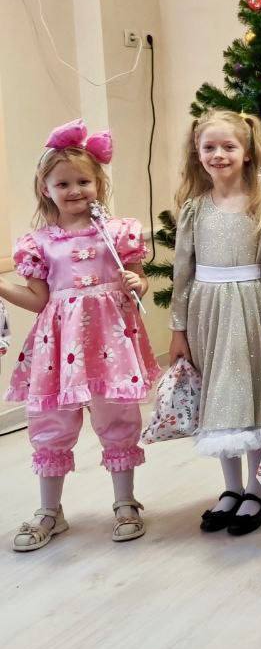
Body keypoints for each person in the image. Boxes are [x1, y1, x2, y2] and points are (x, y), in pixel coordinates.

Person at [3, 119, 157, 551]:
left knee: (117, 417)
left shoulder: (118, 233)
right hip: (59, 348)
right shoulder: (39, 243)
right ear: (46, 189)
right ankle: (50, 510)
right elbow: (38, 299)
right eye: (63, 183)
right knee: (52, 421)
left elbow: (139, 283)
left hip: (111, 344)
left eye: (83, 181)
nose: (75, 190)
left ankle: (125, 502)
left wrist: (138, 282)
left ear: (98, 183)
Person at [169, 110, 261, 536]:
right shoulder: (193, 209)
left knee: (250, 393)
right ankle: (231, 488)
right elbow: (182, 272)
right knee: (218, 395)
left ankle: (257, 489)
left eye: (228, 146)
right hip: (206, 311)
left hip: (250, 307)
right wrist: (178, 327)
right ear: (197, 152)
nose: (218, 155)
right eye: (209, 147)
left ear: (247, 153)